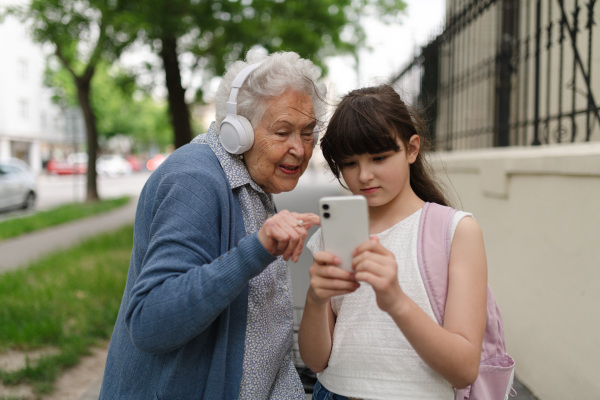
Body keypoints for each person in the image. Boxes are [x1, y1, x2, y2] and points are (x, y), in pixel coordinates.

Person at [100, 51, 327, 399]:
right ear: (239, 131)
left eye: (308, 133)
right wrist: (256, 250)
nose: (299, 148)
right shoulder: (195, 181)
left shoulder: (253, 179)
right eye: (283, 132)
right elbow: (150, 321)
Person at [298, 84, 488, 400]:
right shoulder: (333, 234)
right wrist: (316, 300)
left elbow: (465, 369)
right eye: (349, 163)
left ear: (412, 149)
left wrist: (396, 301)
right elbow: (315, 360)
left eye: (379, 157)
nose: (364, 175)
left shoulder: (455, 231)